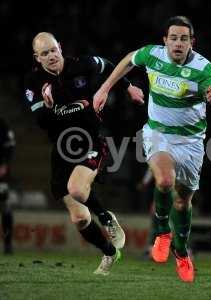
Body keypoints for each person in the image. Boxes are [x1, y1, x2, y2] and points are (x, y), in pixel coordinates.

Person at [94, 16, 211, 282]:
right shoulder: (153, 55)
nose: (178, 43)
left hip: (191, 142)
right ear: (165, 40)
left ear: (192, 42)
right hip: (158, 133)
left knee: (183, 202)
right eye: (173, 38)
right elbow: (128, 60)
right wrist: (105, 87)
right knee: (165, 181)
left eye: (184, 39)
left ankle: (181, 251)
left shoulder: (203, 69)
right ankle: (161, 233)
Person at [24, 32, 144, 275]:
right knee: (79, 218)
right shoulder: (33, 83)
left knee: (78, 189)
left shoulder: (82, 65)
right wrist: (49, 108)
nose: (51, 56)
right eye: (44, 53)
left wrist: (129, 87)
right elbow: (41, 122)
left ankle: (106, 217)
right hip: (61, 148)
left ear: (60, 47)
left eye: (53, 50)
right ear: (37, 58)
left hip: (90, 139)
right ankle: (110, 252)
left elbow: (111, 66)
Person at [0, 118, 16, 254]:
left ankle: (8, 243)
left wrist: (4, 164)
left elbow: (10, 145)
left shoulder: (2, 124)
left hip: (1, 174)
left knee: (5, 206)